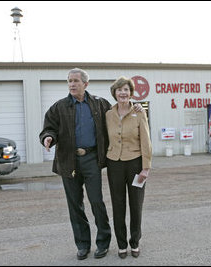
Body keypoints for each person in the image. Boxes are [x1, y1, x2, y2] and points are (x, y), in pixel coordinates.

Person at [39, 68, 112, 260]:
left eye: (75, 81)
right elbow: (49, 128)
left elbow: (117, 120)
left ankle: (103, 243)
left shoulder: (100, 104)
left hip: (92, 159)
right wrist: (48, 138)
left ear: (86, 84)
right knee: (75, 205)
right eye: (69, 81)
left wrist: (135, 108)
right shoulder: (59, 107)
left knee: (96, 202)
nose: (71, 84)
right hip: (68, 160)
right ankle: (82, 245)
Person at [105, 76, 152, 259]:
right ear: (114, 93)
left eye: (126, 90)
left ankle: (135, 242)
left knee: (136, 205)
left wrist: (146, 167)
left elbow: (146, 141)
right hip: (114, 164)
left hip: (135, 163)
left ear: (131, 93)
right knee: (118, 205)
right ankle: (121, 244)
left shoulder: (140, 112)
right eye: (119, 90)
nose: (122, 93)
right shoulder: (108, 114)